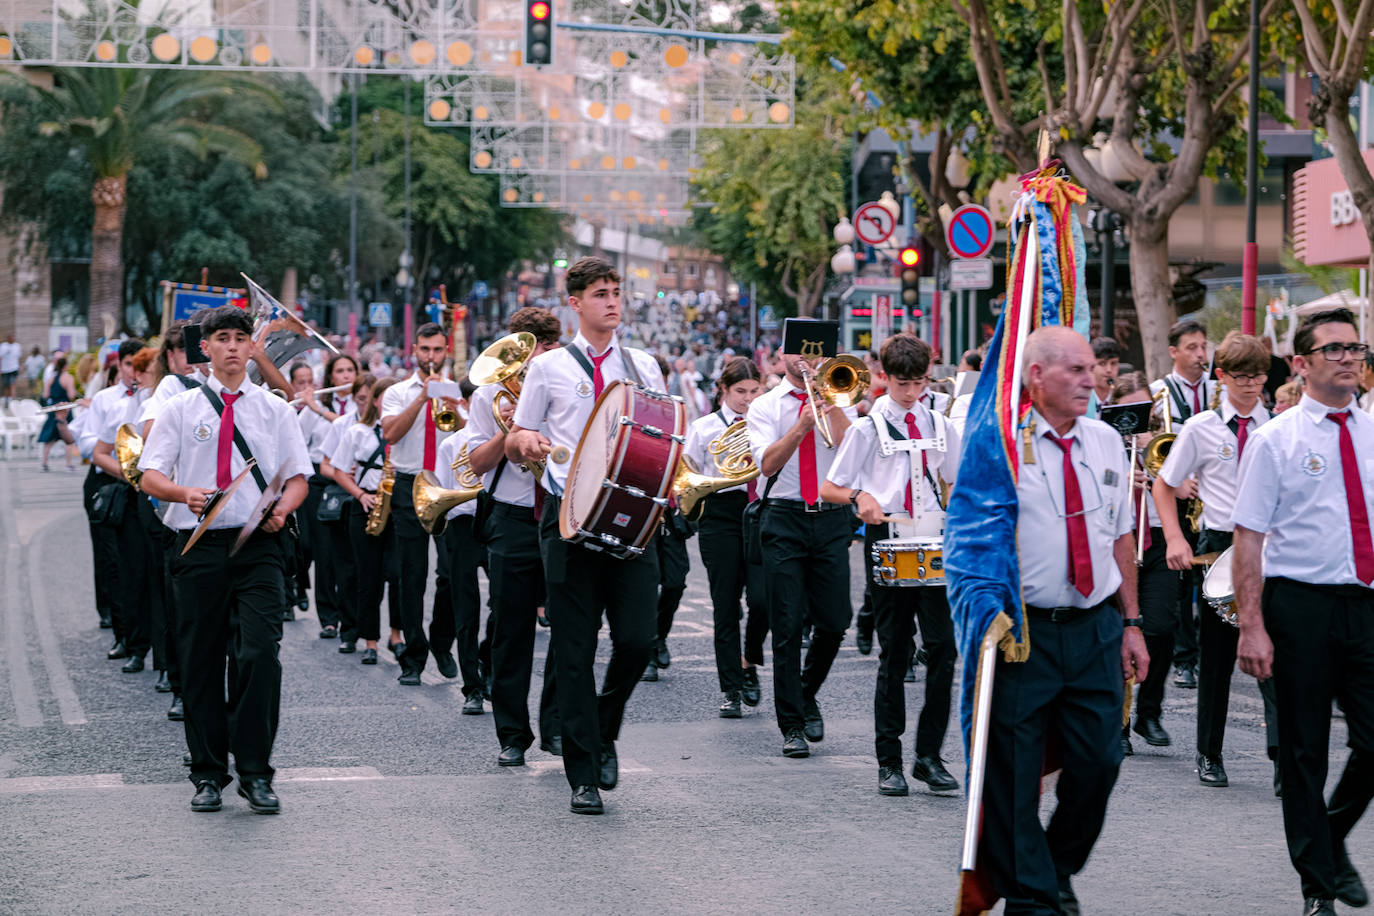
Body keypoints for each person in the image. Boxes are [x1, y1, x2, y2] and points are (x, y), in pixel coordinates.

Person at [981, 326, 1148, 914]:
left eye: (1092, 369)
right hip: (1023, 633)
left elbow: (1119, 533)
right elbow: (971, 540)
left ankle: (1054, 868)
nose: (1091, 378)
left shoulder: (1105, 440)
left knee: (1100, 760)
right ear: (1036, 377)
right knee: (1018, 774)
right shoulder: (998, 444)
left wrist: (1132, 621)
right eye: (1075, 370)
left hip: (1095, 625)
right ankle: (1032, 897)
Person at [506, 256, 668, 815]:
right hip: (569, 520)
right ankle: (582, 775)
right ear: (574, 302)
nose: (613, 302)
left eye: (616, 291)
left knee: (638, 641)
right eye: (600, 294)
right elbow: (520, 434)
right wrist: (526, 444)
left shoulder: (645, 367)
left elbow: (668, 438)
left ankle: (603, 724)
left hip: (630, 518)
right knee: (573, 651)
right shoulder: (548, 368)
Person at [138, 305, 312, 815]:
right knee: (200, 660)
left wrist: (283, 508)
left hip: (258, 544)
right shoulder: (180, 409)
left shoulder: (274, 411)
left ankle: (256, 772)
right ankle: (209, 773)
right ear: (206, 349)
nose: (233, 346)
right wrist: (182, 493)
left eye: (241, 337)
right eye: (223, 338)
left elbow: (299, 476)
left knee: (259, 655)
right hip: (197, 546)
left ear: (249, 347)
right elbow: (148, 474)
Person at [1233, 308, 1374, 916]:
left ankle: (1330, 834)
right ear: (1302, 364)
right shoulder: (1275, 439)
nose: (1348, 357)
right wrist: (1252, 624)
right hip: (1300, 607)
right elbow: (1248, 539)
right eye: (1334, 349)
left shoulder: (1372, 432)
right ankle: (1317, 886)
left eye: (1355, 347)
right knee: (1303, 752)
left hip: (1365, 604)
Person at [820, 333, 962, 797]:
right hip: (889, 537)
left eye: (919, 383)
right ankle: (889, 761)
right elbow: (831, 487)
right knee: (895, 653)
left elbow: (956, 481)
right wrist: (860, 496)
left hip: (934, 537)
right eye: (902, 384)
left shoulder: (940, 423)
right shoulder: (867, 428)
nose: (911, 392)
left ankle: (929, 755)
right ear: (883, 377)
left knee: (943, 649)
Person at [1152, 331, 1280, 790]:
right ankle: (1209, 753)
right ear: (1221, 376)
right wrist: (1173, 539)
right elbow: (1164, 486)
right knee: (1219, 656)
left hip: (1267, 546)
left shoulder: (1276, 426)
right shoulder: (1200, 427)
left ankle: (1282, 757)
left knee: (1274, 655)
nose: (1251, 386)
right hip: (1219, 543)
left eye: (1259, 376)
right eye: (1242, 377)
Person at [746, 317, 856, 759]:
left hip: (830, 519)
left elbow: (856, 449)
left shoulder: (840, 396)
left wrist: (835, 404)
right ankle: (791, 723)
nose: (806, 359)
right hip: (785, 518)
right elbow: (766, 465)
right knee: (788, 625)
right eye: (799, 352)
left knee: (835, 621)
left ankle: (805, 693)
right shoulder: (766, 406)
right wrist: (801, 426)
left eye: (815, 353)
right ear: (782, 357)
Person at [465, 306, 563, 766]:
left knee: (568, 624)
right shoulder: (490, 395)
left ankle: (557, 726)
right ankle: (511, 733)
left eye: (545, 346)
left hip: (562, 514)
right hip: (512, 516)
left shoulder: (565, 388)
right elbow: (476, 465)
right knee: (510, 628)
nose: (537, 357)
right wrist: (509, 435)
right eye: (529, 348)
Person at [682, 356, 769, 717]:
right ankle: (731, 687)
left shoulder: (766, 422)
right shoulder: (703, 428)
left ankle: (749, 659)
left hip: (761, 511)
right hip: (720, 513)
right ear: (722, 390)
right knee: (725, 605)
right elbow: (688, 472)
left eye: (754, 391)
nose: (748, 399)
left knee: (763, 599)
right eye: (740, 392)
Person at [380, 322, 462, 685]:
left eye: (437, 351)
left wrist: (453, 407)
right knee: (410, 575)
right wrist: (421, 398)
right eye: (425, 350)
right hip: (408, 485)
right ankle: (413, 657)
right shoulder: (398, 391)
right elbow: (391, 433)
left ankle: (441, 642)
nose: (431, 357)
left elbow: (469, 434)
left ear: (447, 351)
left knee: (450, 572)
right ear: (414, 349)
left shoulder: (457, 391)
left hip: (446, 485)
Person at [1110, 373, 1176, 759]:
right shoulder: (1106, 444)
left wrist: (1159, 475)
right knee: (1123, 631)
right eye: (1130, 410)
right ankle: (1118, 724)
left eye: (1144, 409)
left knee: (1164, 628)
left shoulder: (1160, 442)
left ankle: (1149, 712)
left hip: (1156, 539)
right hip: (1121, 543)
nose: (1139, 419)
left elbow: (1183, 485)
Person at [1149, 318, 1215, 691]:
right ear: (1173, 352)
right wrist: (1175, 481)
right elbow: (1151, 444)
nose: (1200, 354)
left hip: (1213, 498)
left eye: (1203, 346)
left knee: (1211, 579)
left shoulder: (1219, 390)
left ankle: (1209, 653)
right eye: (1191, 347)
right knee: (1178, 583)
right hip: (1176, 496)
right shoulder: (1158, 392)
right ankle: (1184, 658)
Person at [78, 339, 145, 645]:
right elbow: (88, 445)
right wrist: (123, 462)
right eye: (129, 365)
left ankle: (141, 633)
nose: (134, 372)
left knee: (139, 561)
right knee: (110, 558)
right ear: (120, 364)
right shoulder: (106, 400)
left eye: (140, 366)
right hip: (107, 482)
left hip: (141, 486)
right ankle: (120, 629)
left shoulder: (153, 398)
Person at [328, 376, 393, 666]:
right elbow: (339, 469)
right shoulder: (357, 432)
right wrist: (359, 495)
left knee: (399, 575)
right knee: (367, 576)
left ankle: (398, 635)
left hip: (397, 503)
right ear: (376, 400)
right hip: (365, 502)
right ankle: (369, 640)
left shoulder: (403, 430)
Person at [643, 353, 694, 684]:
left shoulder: (678, 415)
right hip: (639, 509)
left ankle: (659, 635)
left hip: (670, 512)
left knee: (674, 583)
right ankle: (647, 649)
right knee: (644, 586)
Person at [38, 356, 78, 472]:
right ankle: (68, 464)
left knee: (50, 438)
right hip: (64, 409)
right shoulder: (68, 378)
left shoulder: (51, 379)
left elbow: (45, 395)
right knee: (68, 438)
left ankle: (44, 463)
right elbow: (71, 395)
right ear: (66, 366)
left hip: (53, 410)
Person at [1090, 336, 1122, 406]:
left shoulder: (1123, 397)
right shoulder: (1081, 398)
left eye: (1113, 363)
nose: (1109, 370)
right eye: (1102, 363)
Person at [0, 332, 21, 401]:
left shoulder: (17, 346)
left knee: (13, 384)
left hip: (14, 368)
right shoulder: (3, 346)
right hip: (5, 369)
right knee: (6, 385)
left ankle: (13, 399)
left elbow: (18, 357)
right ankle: (7, 399)